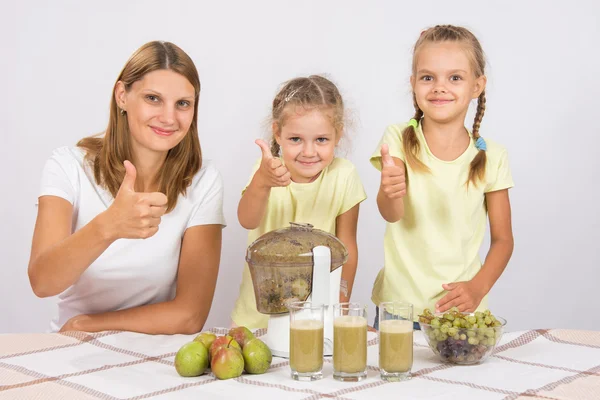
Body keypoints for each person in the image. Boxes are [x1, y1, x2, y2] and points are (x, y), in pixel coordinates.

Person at [28, 41, 225, 334]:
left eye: (182, 103)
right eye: (153, 98)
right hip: (70, 350)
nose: (169, 118)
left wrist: (90, 324)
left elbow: (189, 315)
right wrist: (108, 226)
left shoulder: (202, 180)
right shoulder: (67, 166)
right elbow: (43, 282)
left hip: (152, 356)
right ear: (122, 95)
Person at [371, 25, 514, 329]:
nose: (439, 87)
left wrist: (477, 288)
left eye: (455, 78)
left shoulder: (492, 157)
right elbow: (391, 213)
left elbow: (503, 240)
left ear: (477, 86)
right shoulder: (397, 138)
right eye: (427, 77)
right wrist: (390, 190)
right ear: (414, 84)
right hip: (399, 310)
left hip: (461, 314)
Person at [231, 75, 367, 329]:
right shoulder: (265, 172)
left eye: (321, 140)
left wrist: (339, 303)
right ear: (277, 133)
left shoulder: (344, 175)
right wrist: (262, 182)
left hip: (316, 319)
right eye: (296, 139)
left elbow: (347, 245)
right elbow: (246, 220)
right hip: (257, 318)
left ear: (338, 135)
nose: (308, 151)